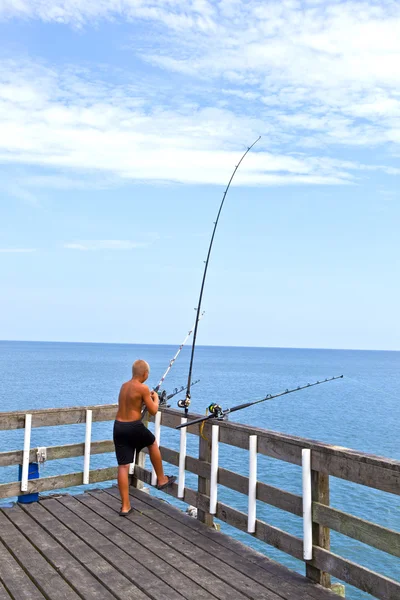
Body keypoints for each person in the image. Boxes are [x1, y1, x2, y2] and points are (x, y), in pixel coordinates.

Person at [113, 359, 176, 516]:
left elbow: (131, 404)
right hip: (133, 426)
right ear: (145, 374)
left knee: (123, 466)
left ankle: (125, 506)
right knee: (152, 443)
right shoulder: (143, 388)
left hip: (119, 427)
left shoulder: (124, 386)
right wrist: (155, 398)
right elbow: (153, 410)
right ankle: (161, 479)